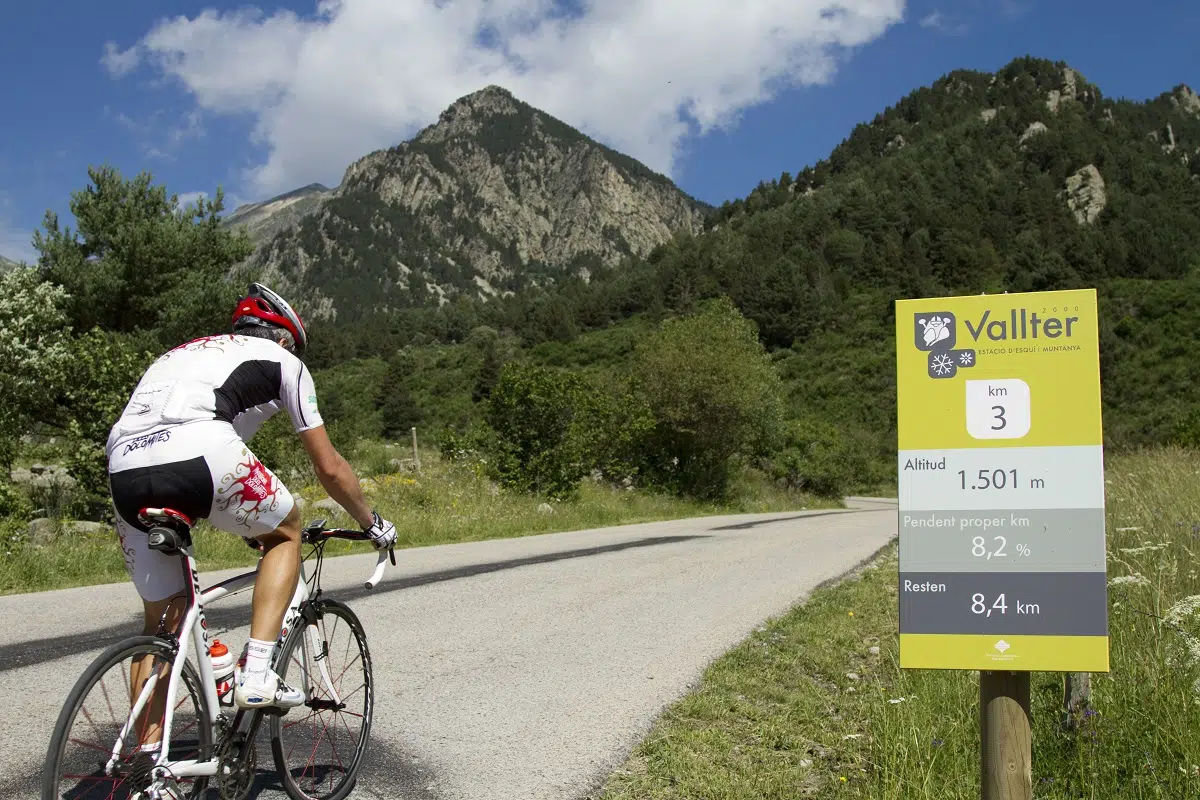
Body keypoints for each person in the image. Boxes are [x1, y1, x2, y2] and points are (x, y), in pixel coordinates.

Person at [105, 283, 396, 740]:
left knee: (162, 625)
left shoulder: (182, 355)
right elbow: (331, 468)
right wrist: (372, 523)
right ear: (284, 340)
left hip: (123, 463)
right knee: (286, 532)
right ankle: (258, 672)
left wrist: (245, 518)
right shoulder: (285, 362)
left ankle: (147, 768)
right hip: (198, 448)